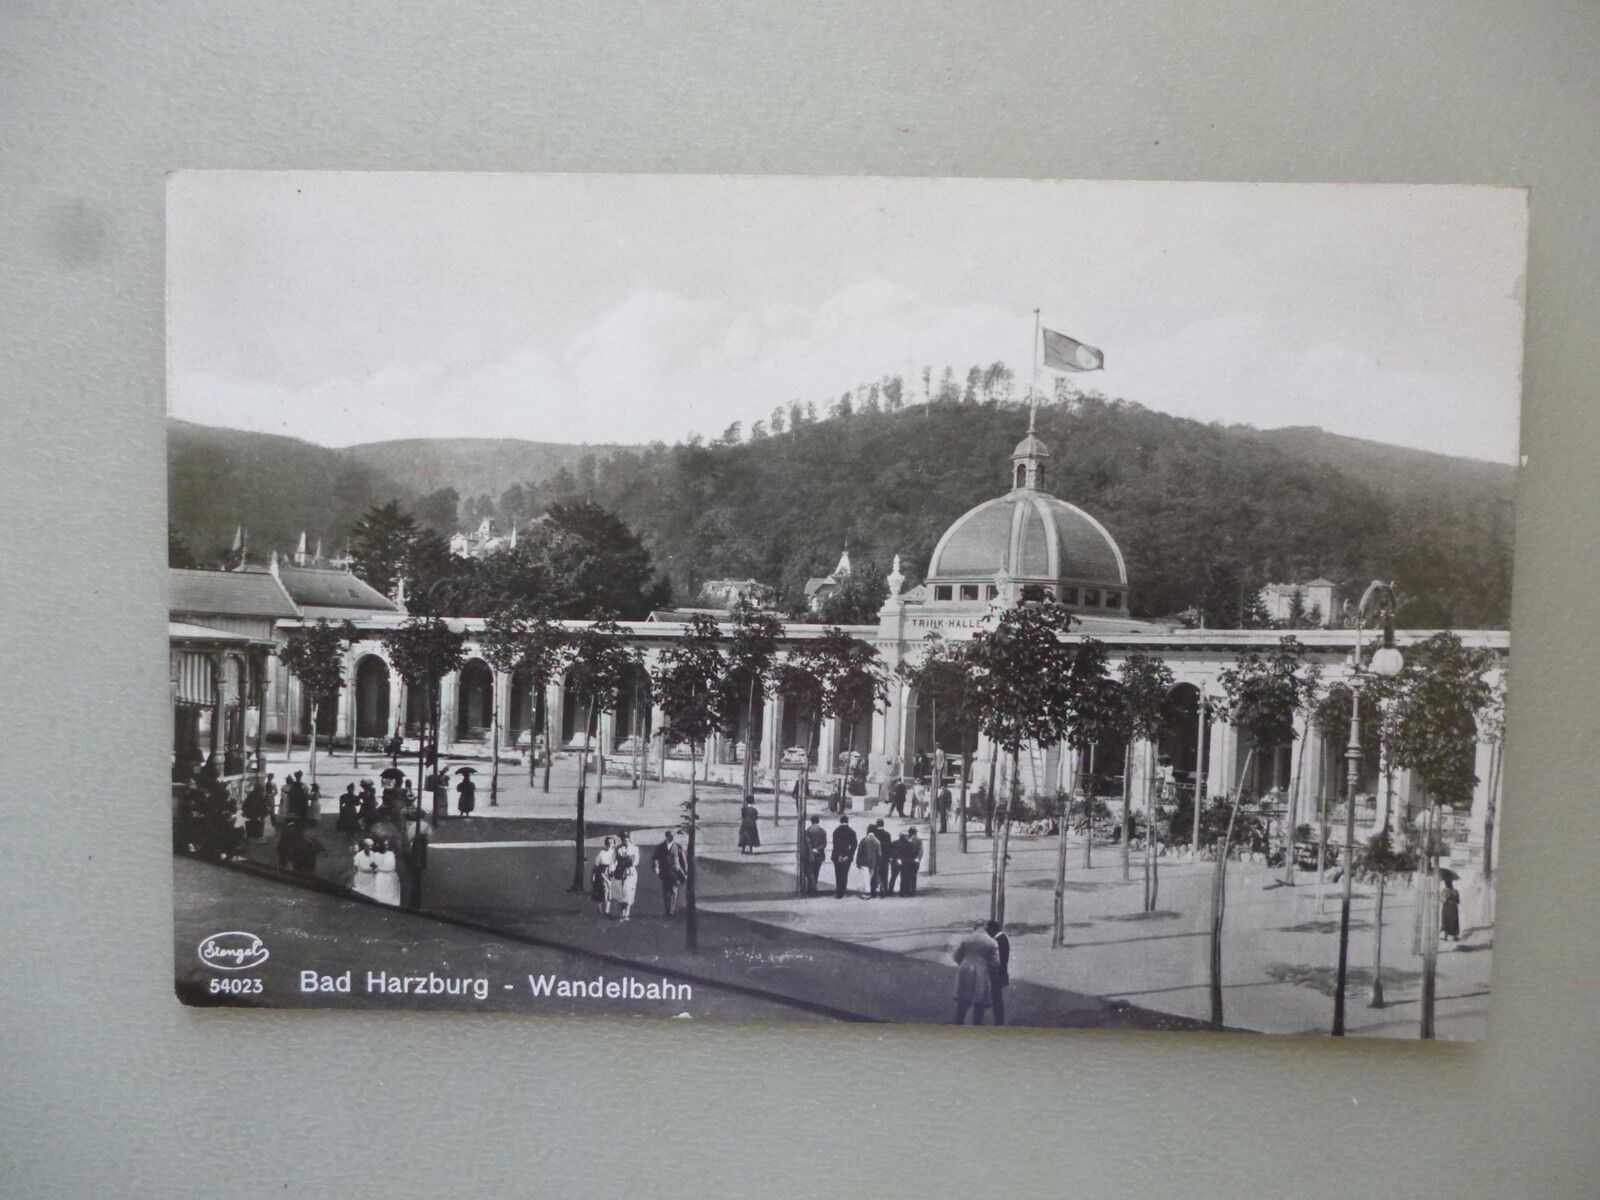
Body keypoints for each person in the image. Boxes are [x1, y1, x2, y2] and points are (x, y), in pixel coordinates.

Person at [953, 921, 999, 1024]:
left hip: (965, 970)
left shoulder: (966, 939)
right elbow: (995, 963)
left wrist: (963, 962)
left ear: (975, 927)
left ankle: (957, 1026)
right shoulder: (991, 942)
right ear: (985, 928)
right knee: (980, 1002)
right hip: (981, 972)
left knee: (962, 1002)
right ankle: (977, 1027)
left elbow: (956, 957)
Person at [652, 829, 688, 916]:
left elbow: (683, 860)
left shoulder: (678, 847)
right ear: (666, 836)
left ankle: (671, 910)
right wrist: (656, 867)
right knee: (666, 891)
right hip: (665, 871)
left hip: (675, 871)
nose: (672, 838)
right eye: (670, 836)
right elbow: (655, 858)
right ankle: (668, 910)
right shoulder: (661, 847)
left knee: (674, 890)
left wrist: (685, 872)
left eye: (673, 836)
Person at [986, 919, 1011, 1025]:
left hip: (997, 974)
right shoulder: (1002, 938)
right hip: (1001, 973)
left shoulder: (998, 940)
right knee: (997, 998)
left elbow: (998, 960)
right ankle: (999, 1021)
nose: (988, 933)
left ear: (993, 929)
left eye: (989, 930)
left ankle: (999, 1022)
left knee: (996, 999)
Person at [402, 816, 430, 909]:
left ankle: (414, 903)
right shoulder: (425, 825)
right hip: (420, 852)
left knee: (415, 879)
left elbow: (409, 838)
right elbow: (429, 835)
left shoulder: (412, 827)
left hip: (415, 852)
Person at [611, 830, 639, 921]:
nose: (625, 841)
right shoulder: (618, 848)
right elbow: (614, 861)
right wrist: (613, 868)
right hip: (619, 872)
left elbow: (636, 861)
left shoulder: (634, 848)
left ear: (629, 839)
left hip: (630, 872)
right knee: (621, 893)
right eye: (623, 839)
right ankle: (622, 913)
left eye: (626, 839)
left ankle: (627, 913)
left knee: (628, 892)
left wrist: (629, 862)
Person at [830, 816, 858, 899]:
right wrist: (848, 855)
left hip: (837, 856)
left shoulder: (836, 831)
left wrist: (839, 855)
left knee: (838, 874)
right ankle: (843, 891)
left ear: (840, 821)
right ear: (847, 821)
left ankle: (838, 893)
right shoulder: (851, 832)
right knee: (845, 874)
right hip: (847, 856)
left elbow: (835, 845)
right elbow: (854, 845)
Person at [369, 835, 401, 906]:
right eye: (384, 845)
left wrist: (378, 867)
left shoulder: (391, 854)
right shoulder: (376, 854)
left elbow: (390, 866)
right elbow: (371, 864)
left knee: (391, 898)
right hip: (380, 877)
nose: (386, 846)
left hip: (390, 877)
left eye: (387, 845)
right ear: (380, 845)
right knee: (379, 897)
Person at [854, 819, 883, 898]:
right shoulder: (877, 841)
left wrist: (857, 862)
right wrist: (878, 864)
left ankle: (866, 893)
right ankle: (869, 892)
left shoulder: (864, 840)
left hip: (864, 862)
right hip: (873, 863)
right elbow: (879, 854)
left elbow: (859, 852)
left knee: (865, 879)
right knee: (869, 878)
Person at [801, 815, 827, 895]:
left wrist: (811, 850)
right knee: (816, 872)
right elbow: (824, 844)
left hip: (809, 854)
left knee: (809, 871)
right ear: (818, 821)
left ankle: (811, 889)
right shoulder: (822, 831)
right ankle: (813, 888)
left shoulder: (808, 831)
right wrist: (818, 849)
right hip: (819, 854)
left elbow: (806, 843)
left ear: (811, 822)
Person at [592, 836, 618, 916]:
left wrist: (612, 868)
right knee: (602, 891)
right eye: (609, 843)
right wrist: (594, 875)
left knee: (609, 891)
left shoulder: (615, 853)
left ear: (614, 844)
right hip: (602, 873)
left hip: (611, 873)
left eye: (612, 842)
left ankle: (607, 910)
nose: (610, 844)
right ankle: (600, 909)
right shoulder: (602, 852)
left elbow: (616, 863)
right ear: (606, 843)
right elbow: (596, 864)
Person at [350, 836, 381, 901]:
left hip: (370, 878)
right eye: (368, 846)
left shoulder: (372, 854)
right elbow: (354, 869)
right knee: (360, 894)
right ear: (364, 846)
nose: (370, 848)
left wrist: (376, 868)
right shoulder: (358, 856)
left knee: (370, 895)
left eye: (371, 846)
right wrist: (352, 880)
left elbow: (373, 864)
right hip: (361, 876)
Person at [897, 826, 923, 896]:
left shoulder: (918, 840)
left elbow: (920, 851)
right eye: (911, 832)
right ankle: (907, 890)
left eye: (913, 832)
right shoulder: (906, 839)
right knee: (907, 875)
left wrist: (918, 859)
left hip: (914, 860)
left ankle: (912, 891)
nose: (912, 834)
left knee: (913, 876)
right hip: (907, 861)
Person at [871, 820, 895, 895]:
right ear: (883, 825)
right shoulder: (887, 834)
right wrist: (890, 857)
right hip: (885, 858)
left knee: (875, 874)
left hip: (876, 857)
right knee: (885, 874)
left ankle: (874, 890)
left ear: (877, 825)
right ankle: (885, 889)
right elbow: (890, 847)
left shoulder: (874, 834)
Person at [1441, 879, 1462, 943]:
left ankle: (1446, 937)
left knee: (1446, 921)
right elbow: (1458, 901)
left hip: (1447, 908)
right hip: (1453, 908)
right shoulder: (1455, 891)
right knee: (1452, 921)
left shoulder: (1445, 891)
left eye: (1446, 884)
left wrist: (1447, 896)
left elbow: (1443, 900)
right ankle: (1454, 936)